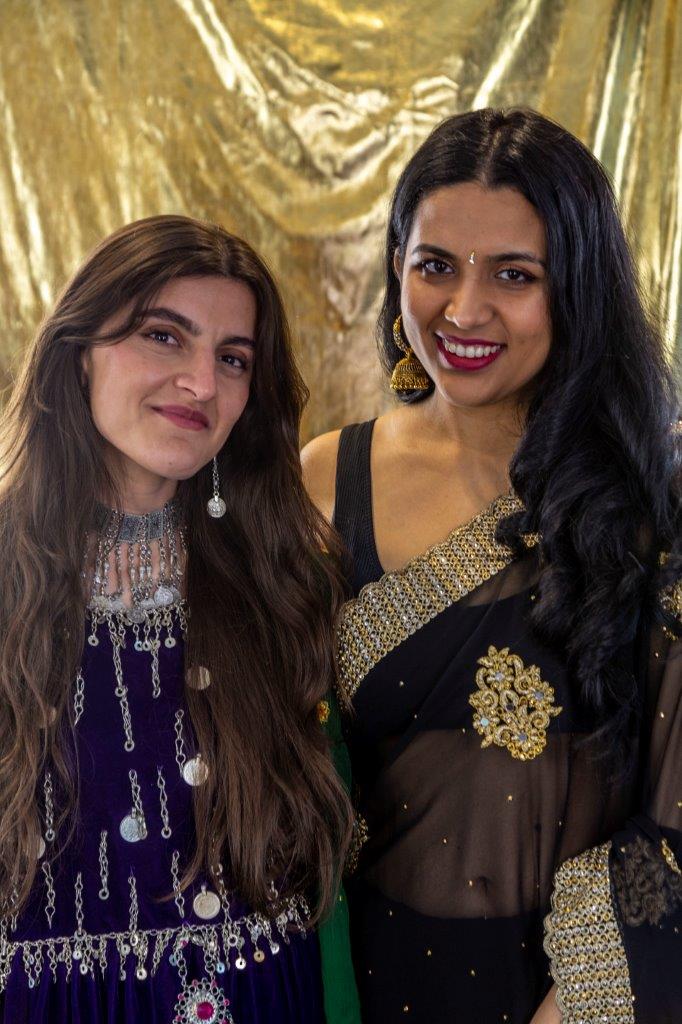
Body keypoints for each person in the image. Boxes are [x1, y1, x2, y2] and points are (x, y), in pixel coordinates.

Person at [302, 108, 682, 1023]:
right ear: (396, 264)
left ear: (577, 290)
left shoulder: (652, 494)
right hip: (370, 983)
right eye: (435, 265)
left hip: (586, 998)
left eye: (514, 275)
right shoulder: (324, 481)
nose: (464, 311)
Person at [0, 215, 360, 1023]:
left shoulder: (284, 584)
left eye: (233, 359)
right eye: (164, 336)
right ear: (79, 350)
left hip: (261, 999)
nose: (201, 383)